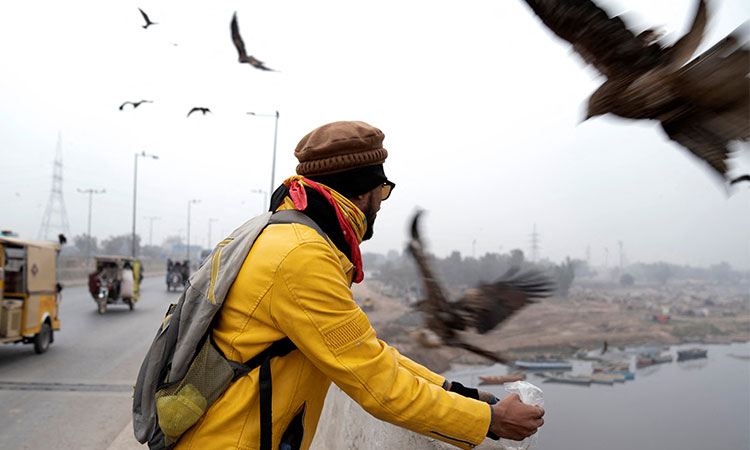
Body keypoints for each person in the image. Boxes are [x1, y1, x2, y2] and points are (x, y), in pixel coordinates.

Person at [174, 121, 544, 450]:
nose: (381, 204)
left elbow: (364, 351)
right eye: (382, 191)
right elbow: (377, 384)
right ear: (363, 191)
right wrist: (490, 421)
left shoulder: (281, 234)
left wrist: (458, 392)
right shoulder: (302, 256)